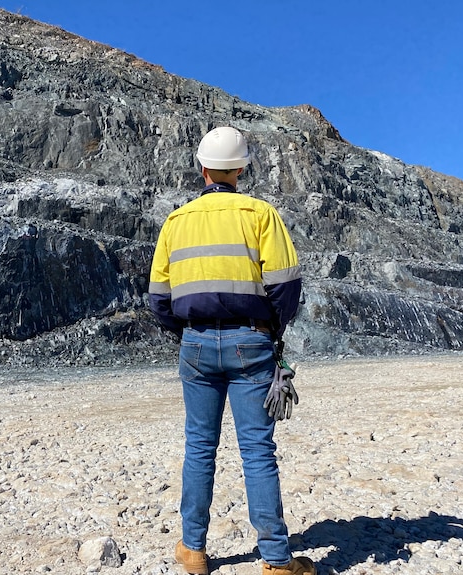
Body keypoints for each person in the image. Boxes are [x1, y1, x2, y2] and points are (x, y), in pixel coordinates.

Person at [148, 126, 314, 575]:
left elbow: (158, 299)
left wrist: (187, 335)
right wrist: (271, 332)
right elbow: (285, 286)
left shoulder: (175, 222)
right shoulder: (260, 213)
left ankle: (193, 551)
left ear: (202, 168)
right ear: (240, 168)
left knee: (200, 446)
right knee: (257, 450)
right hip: (251, 340)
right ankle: (278, 562)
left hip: (196, 345)